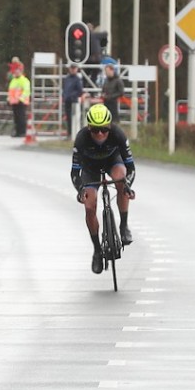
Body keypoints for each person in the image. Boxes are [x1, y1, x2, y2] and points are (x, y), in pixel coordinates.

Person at [70, 104, 136, 275]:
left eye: (104, 130)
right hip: (90, 169)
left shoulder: (118, 135)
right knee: (89, 206)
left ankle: (123, 226)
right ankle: (97, 251)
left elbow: (131, 168)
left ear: (110, 127)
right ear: (89, 127)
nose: (100, 134)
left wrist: (127, 185)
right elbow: (75, 172)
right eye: (95, 130)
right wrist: (80, 189)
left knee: (121, 181)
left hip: (112, 161)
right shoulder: (81, 139)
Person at [7, 62, 31, 137]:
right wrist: (8, 99)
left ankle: (22, 132)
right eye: (15, 71)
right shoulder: (13, 81)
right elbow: (11, 92)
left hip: (21, 102)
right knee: (16, 118)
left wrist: (21, 99)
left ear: (21, 71)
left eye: (18, 71)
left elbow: (26, 91)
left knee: (21, 118)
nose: (16, 72)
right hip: (14, 102)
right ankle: (17, 132)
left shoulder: (24, 80)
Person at [62, 63, 85, 132]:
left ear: (76, 69)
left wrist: (72, 95)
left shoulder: (77, 79)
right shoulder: (67, 78)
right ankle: (69, 133)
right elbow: (64, 88)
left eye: (74, 68)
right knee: (68, 118)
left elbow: (80, 91)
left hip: (74, 102)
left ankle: (74, 132)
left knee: (74, 118)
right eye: (71, 68)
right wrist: (64, 95)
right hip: (67, 101)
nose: (73, 70)